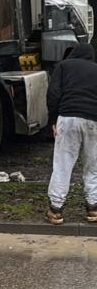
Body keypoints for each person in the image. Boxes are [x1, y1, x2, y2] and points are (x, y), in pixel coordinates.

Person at [46, 42, 97, 225]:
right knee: (93, 167)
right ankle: (93, 209)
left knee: (63, 165)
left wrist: (53, 120)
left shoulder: (64, 66)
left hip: (67, 117)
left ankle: (56, 210)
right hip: (94, 120)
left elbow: (53, 93)